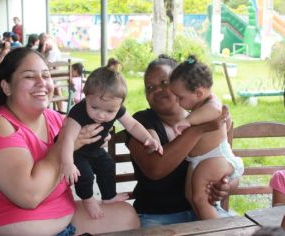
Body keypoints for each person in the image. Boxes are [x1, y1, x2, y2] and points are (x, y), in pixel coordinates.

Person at [0, 47, 140, 235]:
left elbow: (88, 151)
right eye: (29, 77)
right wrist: (67, 144)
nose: (42, 83)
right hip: (3, 226)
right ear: (7, 87)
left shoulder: (56, 119)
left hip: (65, 222)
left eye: (46, 76)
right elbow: (29, 195)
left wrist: (93, 142)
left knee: (125, 215)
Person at [126, 55, 238, 228]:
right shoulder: (141, 122)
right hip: (157, 216)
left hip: (204, 211)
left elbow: (226, 163)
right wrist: (197, 129)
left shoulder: (206, 115)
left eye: (164, 83)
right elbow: (155, 169)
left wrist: (226, 185)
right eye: (149, 87)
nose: (157, 90)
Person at [58, 66, 163, 220]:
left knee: (108, 165)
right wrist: (67, 163)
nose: (101, 115)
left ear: (119, 106)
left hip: (94, 149)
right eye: (94, 107)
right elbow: (67, 139)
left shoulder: (116, 108)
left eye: (109, 112)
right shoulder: (78, 113)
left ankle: (108, 196)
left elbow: (132, 125)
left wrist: (147, 138)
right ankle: (88, 199)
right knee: (84, 174)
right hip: (75, 152)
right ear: (86, 97)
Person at [168, 55, 244, 220]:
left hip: (215, 157)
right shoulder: (200, 105)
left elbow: (214, 112)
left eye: (180, 97)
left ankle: (215, 231)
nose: (177, 101)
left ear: (198, 92)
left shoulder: (212, 103)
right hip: (200, 160)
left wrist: (187, 121)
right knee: (190, 196)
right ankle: (205, 224)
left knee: (200, 198)